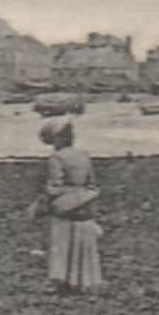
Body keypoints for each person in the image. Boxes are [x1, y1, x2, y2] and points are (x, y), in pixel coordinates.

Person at [38, 121, 103, 293]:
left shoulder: (57, 158)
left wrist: (42, 202)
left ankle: (61, 280)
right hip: (85, 203)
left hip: (65, 207)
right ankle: (84, 281)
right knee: (83, 242)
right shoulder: (84, 155)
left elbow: (54, 187)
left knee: (61, 243)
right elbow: (92, 183)